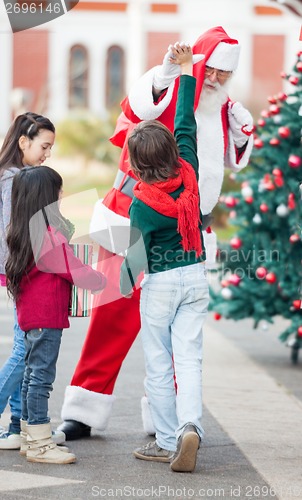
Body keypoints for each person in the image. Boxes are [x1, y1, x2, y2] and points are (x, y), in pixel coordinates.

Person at [58, 26, 254, 440]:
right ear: (197, 61)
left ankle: (168, 420)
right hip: (135, 219)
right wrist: (166, 74)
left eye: (225, 73)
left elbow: (229, 165)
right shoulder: (164, 85)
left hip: (186, 232)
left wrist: (242, 134)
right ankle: (85, 406)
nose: (217, 79)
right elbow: (133, 113)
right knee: (114, 313)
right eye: (212, 69)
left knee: (177, 332)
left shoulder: (222, 107)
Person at [120, 43, 208, 473]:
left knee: (159, 362)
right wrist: (187, 71)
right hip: (196, 277)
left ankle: (169, 439)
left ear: (136, 164)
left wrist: (120, 280)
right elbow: (187, 119)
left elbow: (135, 261)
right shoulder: (188, 167)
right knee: (189, 358)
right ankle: (192, 426)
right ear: (173, 150)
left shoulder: (141, 205)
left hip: (160, 284)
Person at [5, 165, 107, 464]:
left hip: (30, 317)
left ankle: (28, 435)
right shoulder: (48, 235)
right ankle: (39, 444)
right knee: (41, 379)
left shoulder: (21, 231)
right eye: (57, 190)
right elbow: (74, 270)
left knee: (31, 377)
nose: (62, 195)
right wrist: (102, 279)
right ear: (45, 197)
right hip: (46, 318)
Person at [0, 112, 66, 450]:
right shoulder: (17, 180)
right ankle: (23, 424)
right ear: (23, 141)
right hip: (23, 275)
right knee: (25, 355)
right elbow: (22, 232)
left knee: (24, 353)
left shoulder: (14, 175)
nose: (47, 154)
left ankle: (17, 425)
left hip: (18, 273)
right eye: (44, 146)